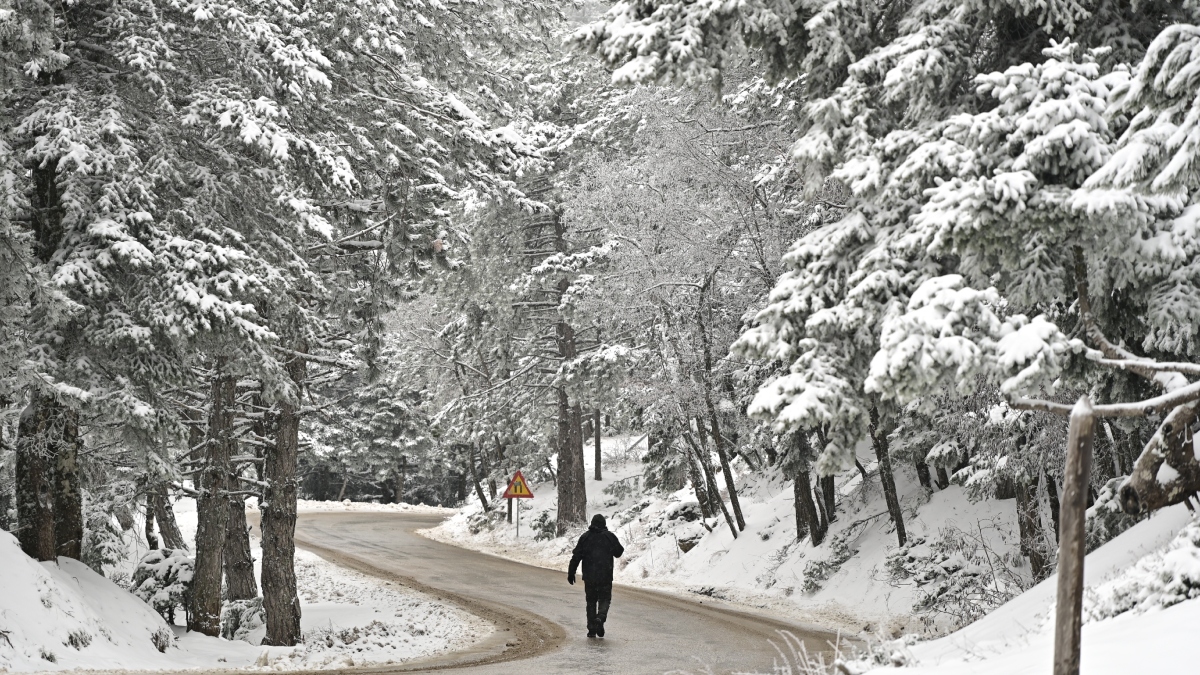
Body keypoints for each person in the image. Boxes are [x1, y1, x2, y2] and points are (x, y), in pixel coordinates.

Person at [567, 513, 624, 638]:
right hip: (605, 575)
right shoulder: (609, 537)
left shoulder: (585, 537)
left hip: (589, 576)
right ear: (604, 524)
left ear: (591, 524)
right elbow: (619, 552)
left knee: (591, 601)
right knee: (605, 599)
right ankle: (600, 618)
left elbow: (576, 556)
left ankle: (591, 629)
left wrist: (571, 572)